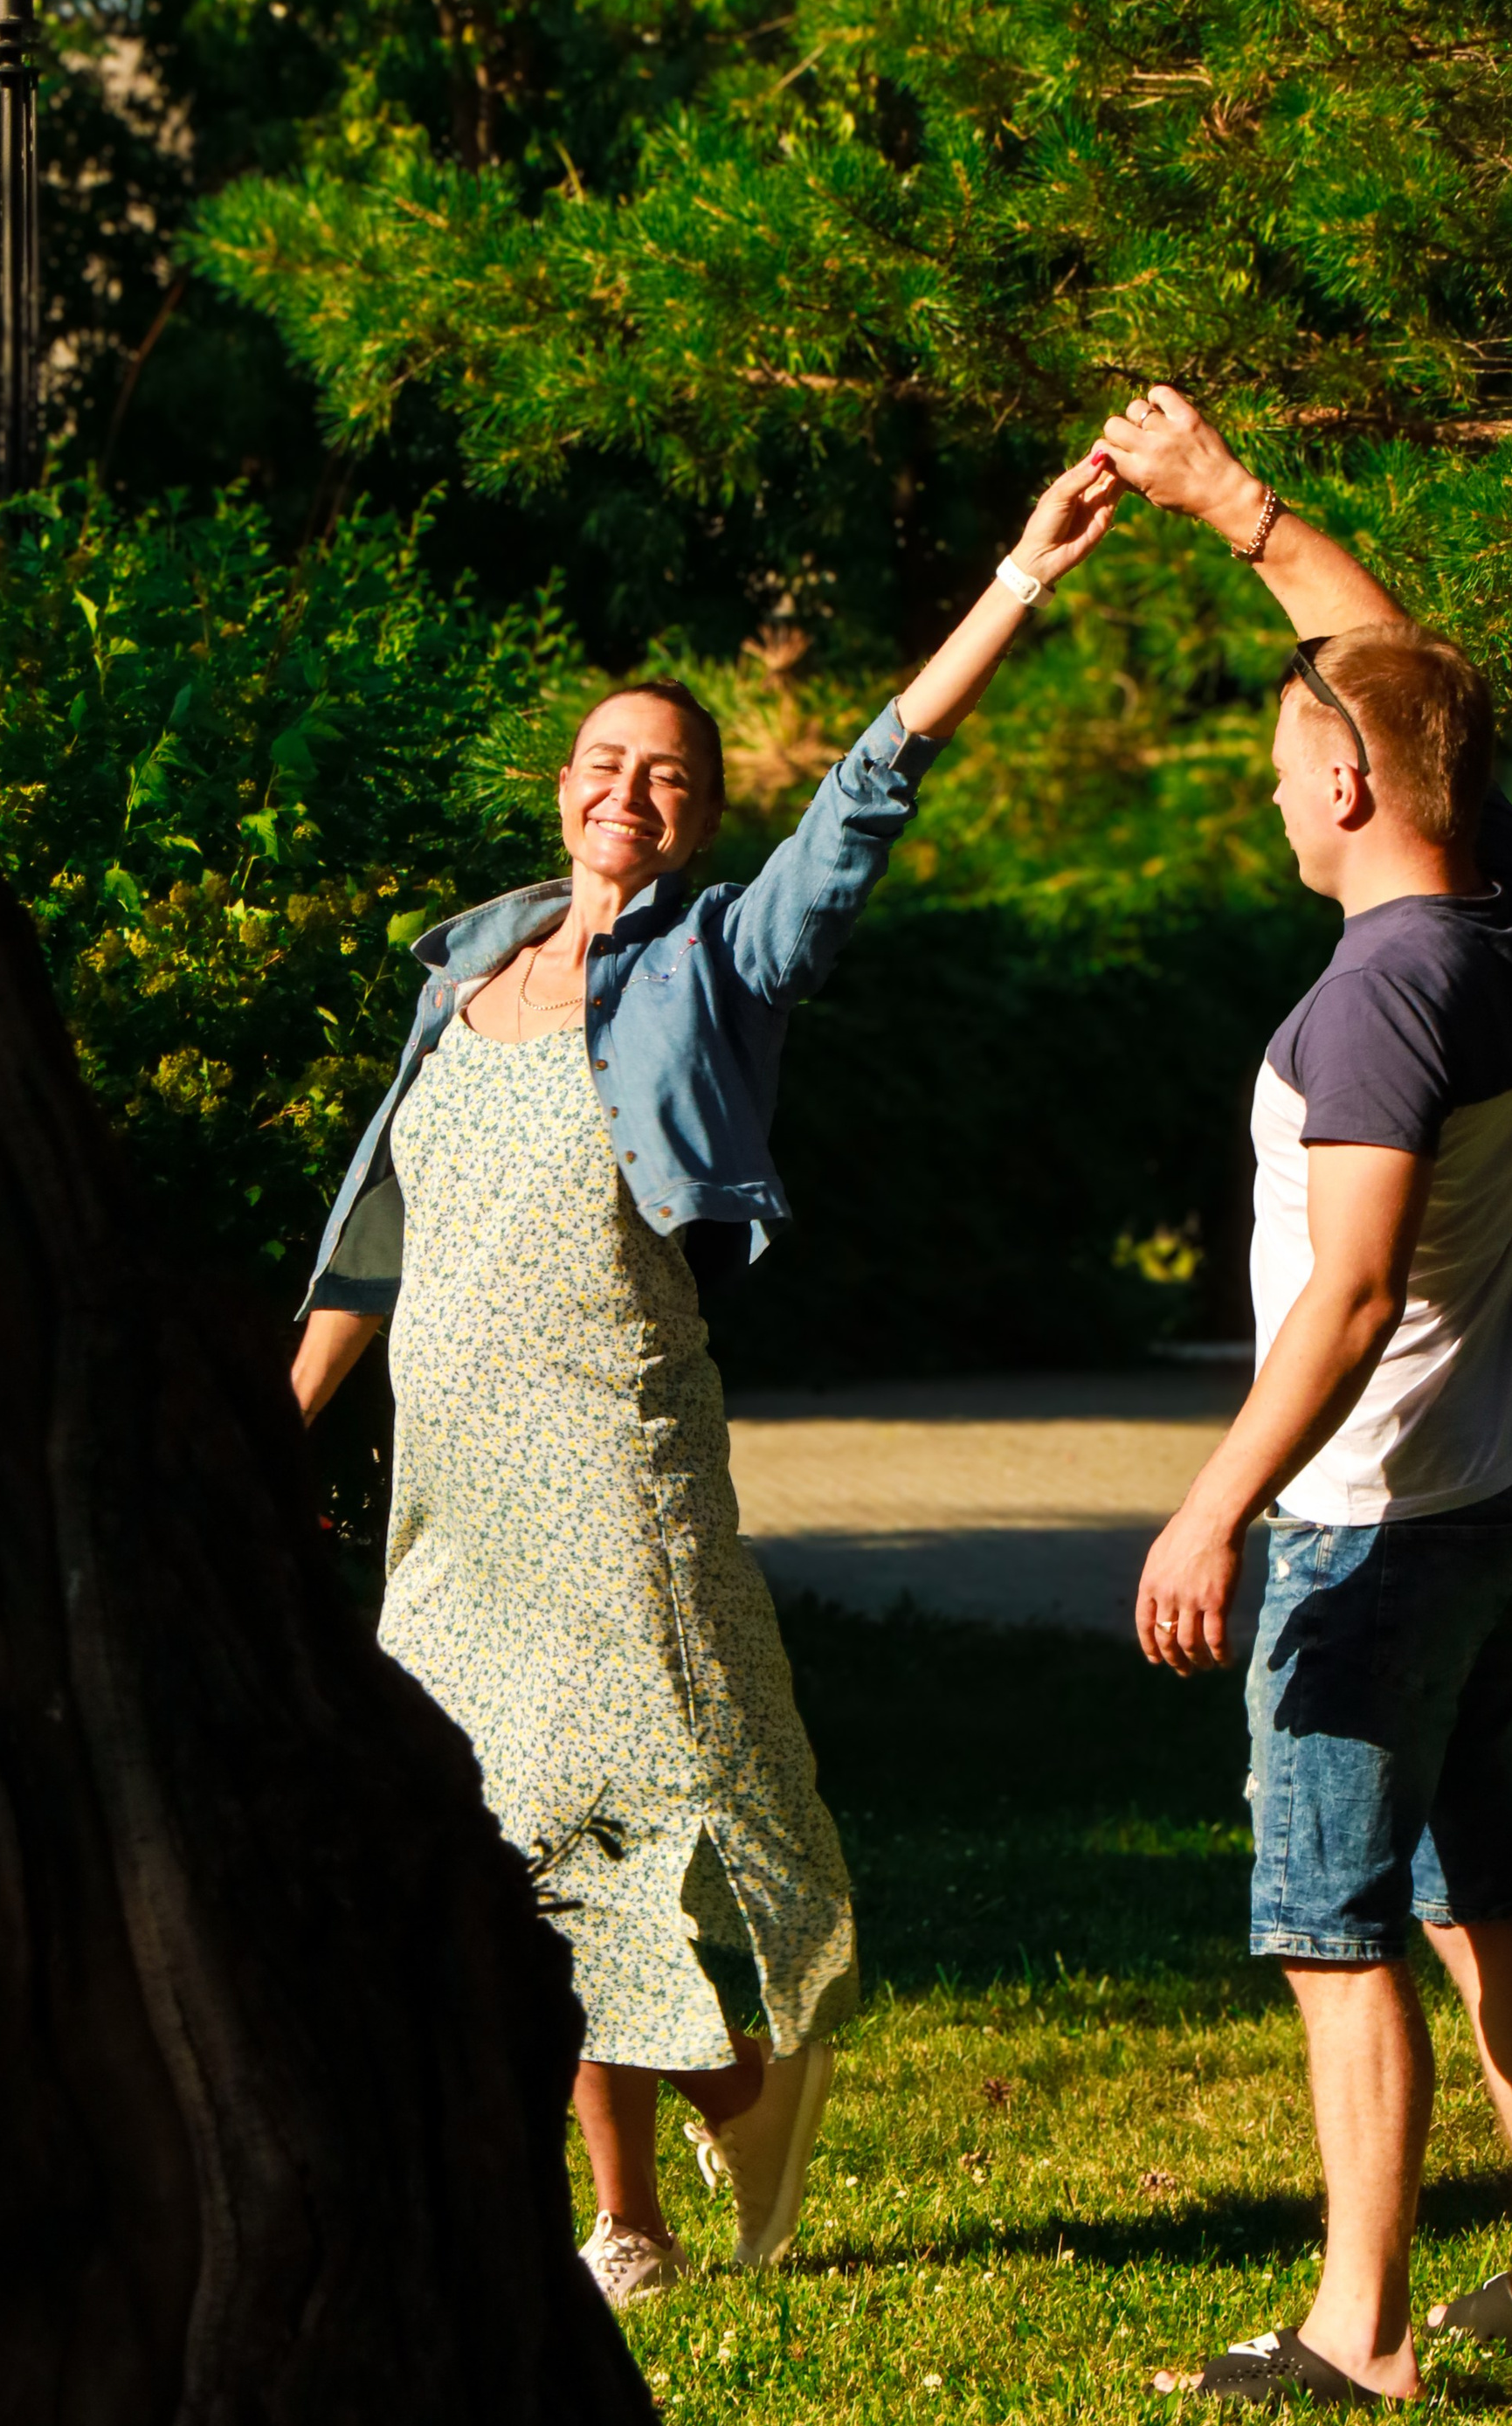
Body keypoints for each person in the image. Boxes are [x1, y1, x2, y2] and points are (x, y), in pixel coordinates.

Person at [290, 455, 1119, 2306]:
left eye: (668, 774)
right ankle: (677, 2157)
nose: (625, 792)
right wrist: (276, 1435)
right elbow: (377, 1233)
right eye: (602, 762)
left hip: (606, 1458)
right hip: (452, 1492)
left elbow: (864, 798)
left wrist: (1013, 577)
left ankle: (667, 2170)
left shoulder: (718, 962)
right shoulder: (471, 962)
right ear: (560, 785)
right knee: (505, 1844)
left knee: (597, 1826)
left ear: (699, 813)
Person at [1099, 386, 1512, 2409]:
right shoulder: (1507, 915)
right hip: (1510, 1496)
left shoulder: (1376, 996)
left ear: (1342, 797)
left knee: (1337, 1925)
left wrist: (1211, 1504)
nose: (1265, 799)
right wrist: (1227, 501)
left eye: (1278, 770)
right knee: (1477, 1882)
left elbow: (1350, 1291)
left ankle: (1360, 2332)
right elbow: (1401, 685)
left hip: (1375, 1524)